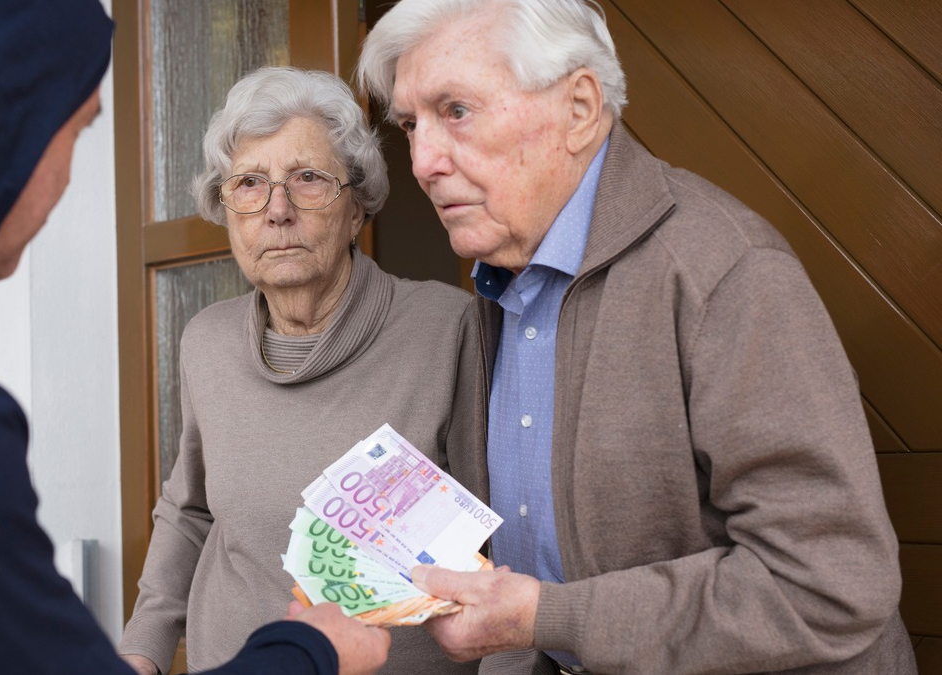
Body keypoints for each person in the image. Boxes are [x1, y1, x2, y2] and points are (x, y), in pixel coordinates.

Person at [0, 2, 389, 675]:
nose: (64, 185)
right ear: (6, 125)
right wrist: (309, 650)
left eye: (308, 180)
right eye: (77, 133)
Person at [355, 1, 917, 674]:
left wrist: (548, 616)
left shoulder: (723, 271)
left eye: (456, 112)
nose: (421, 162)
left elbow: (830, 583)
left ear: (581, 108)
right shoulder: (497, 286)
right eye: (411, 124)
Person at [117, 66, 487, 675]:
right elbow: (189, 511)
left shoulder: (448, 330)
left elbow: (510, 545)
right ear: (226, 208)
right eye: (250, 184)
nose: (277, 210)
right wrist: (143, 647)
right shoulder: (206, 342)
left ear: (357, 207)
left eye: (308, 180)